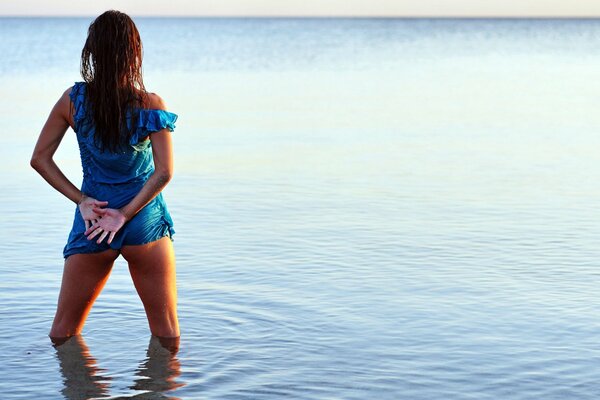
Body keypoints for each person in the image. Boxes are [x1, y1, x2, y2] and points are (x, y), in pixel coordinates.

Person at [30, 10, 180, 345]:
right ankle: (156, 394)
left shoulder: (73, 101)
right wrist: (125, 215)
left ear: (92, 52)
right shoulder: (150, 104)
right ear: (134, 52)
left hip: (94, 219)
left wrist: (81, 200)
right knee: (166, 334)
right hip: (144, 221)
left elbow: (40, 159)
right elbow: (164, 172)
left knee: (63, 334)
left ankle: (83, 389)